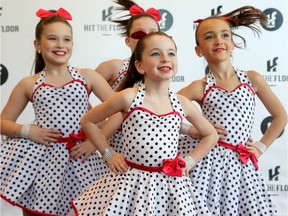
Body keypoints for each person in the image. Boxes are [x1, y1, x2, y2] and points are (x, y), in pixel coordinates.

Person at [68, 32, 219, 216]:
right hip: (131, 183)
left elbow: (211, 135)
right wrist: (108, 154)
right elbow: (87, 121)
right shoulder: (129, 97)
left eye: (171, 53)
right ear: (139, 65)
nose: (165, 58)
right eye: (156, 53)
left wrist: (189, 161)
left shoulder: (182, 103)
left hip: (170, 186)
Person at [0, 8, 115, 216]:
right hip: (41, 161)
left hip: (81, 158)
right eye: (53, 38)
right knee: (38, 210)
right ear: (37, 45)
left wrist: (94, 142)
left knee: (85, 209)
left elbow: (120, 111)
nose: (61, 45)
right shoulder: (29, 83)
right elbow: (4, 122)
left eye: (67, 39)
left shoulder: (87, 76)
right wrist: (28, 131)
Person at [177, 6, 287, 215]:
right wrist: (193, 130)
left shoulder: (252, 79)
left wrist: (260, 148)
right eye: (209, 37)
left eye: (224, 35)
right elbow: (165, 113)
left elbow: (281, 116)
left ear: (232, 43)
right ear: (198, 50)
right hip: (208, 166)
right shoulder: (199, 87)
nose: (218, 41)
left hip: (241, 164)